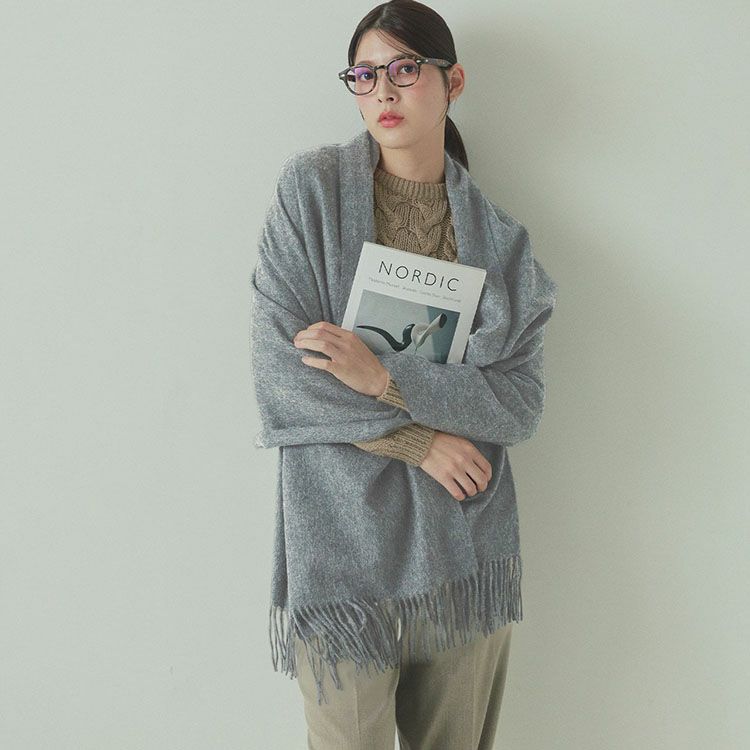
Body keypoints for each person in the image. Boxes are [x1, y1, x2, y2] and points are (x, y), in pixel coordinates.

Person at [250, 2, 558, 748]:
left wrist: (383, 376)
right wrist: (420, 441)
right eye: (364, 74)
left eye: (404, 69)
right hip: (341, 545)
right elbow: (281, 373)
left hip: (462, 542)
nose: (383, 91)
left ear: (454, 82)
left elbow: (518, 404)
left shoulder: (502, 244)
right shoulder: (312, 193)